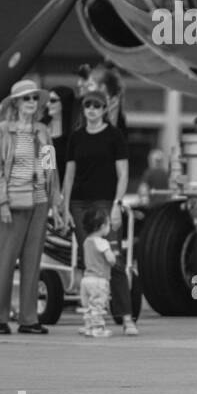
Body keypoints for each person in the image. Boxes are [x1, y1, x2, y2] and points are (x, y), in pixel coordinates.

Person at [62, 88, 138, 336]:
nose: (91, 110)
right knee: (90, 261)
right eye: (87, 106)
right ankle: (93, 318)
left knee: (113, 261)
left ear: (105, 109)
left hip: (105, 202)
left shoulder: (114, 136)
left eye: (96, 106)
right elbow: (69, 174)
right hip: (79, 203)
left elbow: (123, 173)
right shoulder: (76, 137)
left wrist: (117, 204)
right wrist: (64, 207)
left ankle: (126, 317)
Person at [0, 80, 67, 335]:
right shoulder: (3, 130)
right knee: (4, 262)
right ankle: (0, 317)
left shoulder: (43, 130)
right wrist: (2, 202)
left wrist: (56, 201)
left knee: (32, 262)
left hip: (39, 202)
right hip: (13, 202)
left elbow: (51, 167)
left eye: (34, 99)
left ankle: (28, 319)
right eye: (26, 99)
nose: (31, 103)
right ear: (16, 103)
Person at [79, 204, 115, 338]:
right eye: (108, 225)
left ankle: (88, 327)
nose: (109, 228)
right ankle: (98, 328)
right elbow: (110, 259)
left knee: (89, 305)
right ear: (101, 227)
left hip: (86, 279)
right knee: (98, 306)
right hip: (99, 279)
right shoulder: (102, 242)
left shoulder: (87, 241)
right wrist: (113, 259)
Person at [42, 85, 75, 179]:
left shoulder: (73, 131)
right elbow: (47, 166)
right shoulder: (42, 127)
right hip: (45, 184)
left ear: (65, 102)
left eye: (52, 100)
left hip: (68, 185)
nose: (48, 104)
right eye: (47, 100)